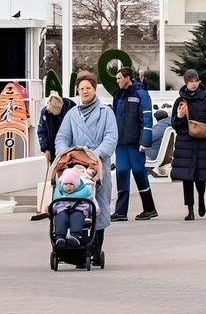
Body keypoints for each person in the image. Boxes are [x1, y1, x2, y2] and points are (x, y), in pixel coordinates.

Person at [55, 71, 118, 265]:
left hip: (97, 166)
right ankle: (77, 249)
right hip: (75, 169)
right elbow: (62, 137)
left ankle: (95, 248)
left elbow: (111, 136)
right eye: (81, 88)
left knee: (98, 206)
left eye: (87, 88)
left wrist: (96, 154)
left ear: (94, 89)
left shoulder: (106, 112)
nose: (84, 91)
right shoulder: (72, 114)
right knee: (75, 203)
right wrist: (65, 154)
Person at [111, 67, 157, 221]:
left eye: (119, 78)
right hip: (120, 143)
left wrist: (145, 140)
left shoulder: (141, 94)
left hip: (136, 144)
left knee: (139, 173)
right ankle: (120, 212)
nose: (117, 81)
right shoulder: (118, 95)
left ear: (127, 78)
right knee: (121, 173)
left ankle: (149, 209)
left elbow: (147, 117)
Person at [170, 69, 206, 221]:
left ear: (199, 81)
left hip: (202, 140)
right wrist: (180, 116)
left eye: (195, 80)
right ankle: (190, 209)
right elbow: (174, 124)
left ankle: (201, 199)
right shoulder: (180, 101)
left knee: (201, 175)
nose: (193, 84)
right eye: (190, 81)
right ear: (185, 82)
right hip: (185, 142)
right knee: (187, 177)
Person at [51, 167, 93, 248]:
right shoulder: (59, 192)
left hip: (79, 210)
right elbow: (55, 204)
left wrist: (96, 209)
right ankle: (59, 237)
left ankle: (75, 236)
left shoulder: (84, 191)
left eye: (71, 184)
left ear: (77, 184)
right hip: (63, 210)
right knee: (60, 216)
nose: (68, 187)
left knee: (76, 216)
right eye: (65, 184)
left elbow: (92, 200)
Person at [37, 91, 76, 164]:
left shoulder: (72, 109)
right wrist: (45, 148)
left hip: (70, 151)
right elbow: (42, 131)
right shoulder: (45, 112)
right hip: (53, 149)